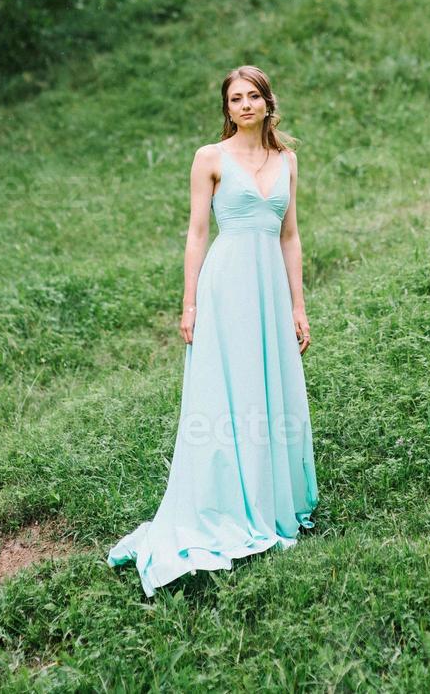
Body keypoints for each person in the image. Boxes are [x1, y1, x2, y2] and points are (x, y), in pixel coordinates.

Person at [106, 65, 319, 595]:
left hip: (270, 288)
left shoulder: (287, 160)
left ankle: (270, 502)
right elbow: (197, 233)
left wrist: (298, 305)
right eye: (235, 99)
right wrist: (190, 303)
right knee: (229, 393)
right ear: (227, 109)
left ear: (269, 104)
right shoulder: (210, 158)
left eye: (253, 97)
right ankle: (224, 501)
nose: (244, 105)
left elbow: (290, 236)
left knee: (269, 389)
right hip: (225, 288)